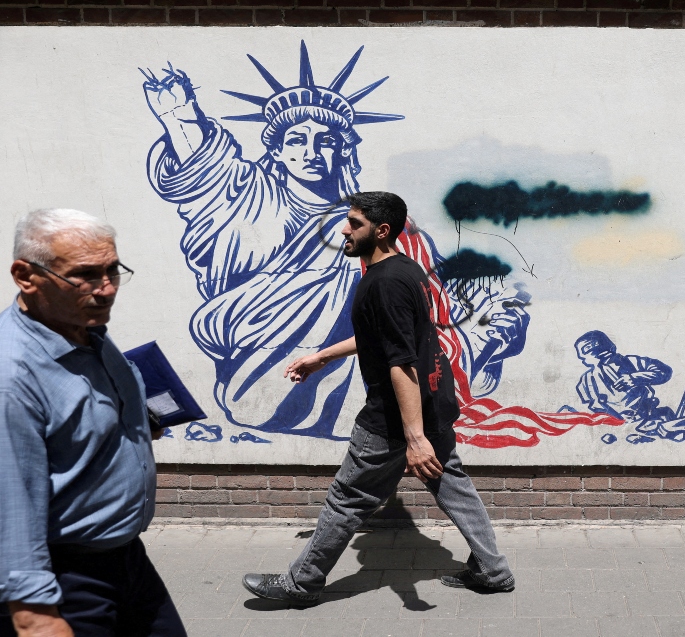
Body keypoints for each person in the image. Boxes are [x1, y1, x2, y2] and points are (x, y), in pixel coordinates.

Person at [141, 43, 529, 440]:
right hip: (253, 348)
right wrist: (179, 117)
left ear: (341, 151)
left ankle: (463, 350)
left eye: (325, 141)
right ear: (275, 151)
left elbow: (425, 285)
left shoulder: (371, 220)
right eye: (297, 140)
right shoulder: (246, 194)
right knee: (354, 258)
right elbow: (204, 167)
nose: (311, 152)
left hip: (361, 365)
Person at [242, 191, 514, 606]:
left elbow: (400, 363)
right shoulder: (407, 270)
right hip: (435, 400)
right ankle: (493, 571)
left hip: (392, 419)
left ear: (381, 230)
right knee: (452, 484)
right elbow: (383, 338)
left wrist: (414, 438)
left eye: (354, 223)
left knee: (348, 499)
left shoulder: (382, 283)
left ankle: (301, 584)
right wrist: (321, 357)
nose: (343, 229)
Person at [0, 209, 185, 636]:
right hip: (55, 574)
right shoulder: (3, 378)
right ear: (25, 275)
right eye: (86, 275)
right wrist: (35, 616)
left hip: (121, 559)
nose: (106, 289)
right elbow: (3, 505)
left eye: (113, 270)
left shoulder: (81, 328)